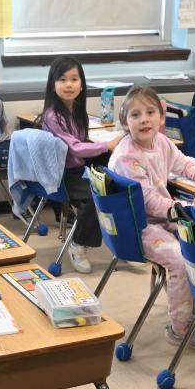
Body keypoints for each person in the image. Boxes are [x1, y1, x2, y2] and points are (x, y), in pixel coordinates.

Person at [108, 86, 195, 348]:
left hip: (162, 218)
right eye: (135, 114)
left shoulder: (162, 142)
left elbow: (184, 163)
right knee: (179, 259)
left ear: (160, 117)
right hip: (137, 227)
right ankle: (179, 328)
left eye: (150, 112)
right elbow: (149, 202)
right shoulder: (126, 156)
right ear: (125, 122)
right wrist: (183, 208)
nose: (144, 119)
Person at [40, 57, 123, 274]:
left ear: (82, 83)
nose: (69, 84)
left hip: (77, 168)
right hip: (62, 176)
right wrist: (107, 144)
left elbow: (81, 143)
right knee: (96, 195)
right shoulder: (52, 116)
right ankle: (77, 244)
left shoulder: (77, 111)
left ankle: (121, 242)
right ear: (53, 84)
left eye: (74, 79)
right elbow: (74, 148)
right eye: (63, 79)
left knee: (119, 182)